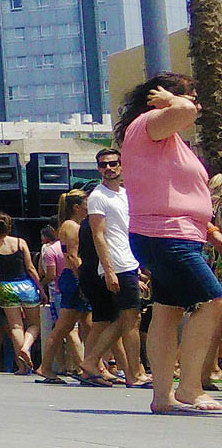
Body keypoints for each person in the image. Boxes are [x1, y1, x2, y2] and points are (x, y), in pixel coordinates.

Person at [116, 75, 222, 414]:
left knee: (167, 310)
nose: (196, 104)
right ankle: (190, 387)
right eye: (190, 96)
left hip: (171, 234)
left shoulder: (162, 137)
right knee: (212, 301)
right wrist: (172, 100)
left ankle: (163, 396)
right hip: (165, 235)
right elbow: (187, 111)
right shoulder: (150, 123)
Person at [77, 147, 146, 388]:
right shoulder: (98, 196)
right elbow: (98, 235)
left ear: (121, 165)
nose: (109, 168)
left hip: (128, 261)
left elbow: (127, 232)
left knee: (125, 320)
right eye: (104, 164)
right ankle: (133, 373)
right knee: (129, 321)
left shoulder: (125, 195)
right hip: (115, 264)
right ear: (98, 168)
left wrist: (138, 264)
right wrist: (108, 269)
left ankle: (94, 361)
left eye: (113, 163)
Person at [38, 192, 90, 384]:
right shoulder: (71, 226)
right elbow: (72, 257)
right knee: (64, 327)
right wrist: (83, 280)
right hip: (74, 278)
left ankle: (92, 366)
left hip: (75, 278)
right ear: (77, 207)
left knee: (91, 326)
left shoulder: (77, 225)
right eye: (86, 202)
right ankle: (45, 367)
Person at [0, 214, 40, 375]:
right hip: (26, 285)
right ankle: (26, 347)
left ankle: (22, 366)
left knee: (16, 326)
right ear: (9, 226)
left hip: (6, 287)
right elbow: (30, 268)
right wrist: (40, 289)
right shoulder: (20, 242)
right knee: (34, 324)